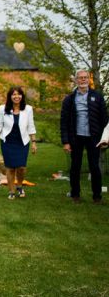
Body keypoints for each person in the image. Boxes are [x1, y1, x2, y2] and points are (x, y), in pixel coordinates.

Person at [60, 70, 108, 204]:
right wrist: (66, 142)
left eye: (85, 77)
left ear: (89, 79)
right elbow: (64, 122)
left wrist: (105, 138)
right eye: (80, 78)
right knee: (75, 167)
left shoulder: (97, 96)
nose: (83, 80)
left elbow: (105, 120)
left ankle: (97, 197)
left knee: (94, 167)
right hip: (76, 138)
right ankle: (75, 195)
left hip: (94, 138)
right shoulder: (69, 99)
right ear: (76, 80)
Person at [0, 87, 37, 200]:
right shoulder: (3, 109)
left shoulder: (28, 109)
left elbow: (31, 126)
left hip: (22, 142)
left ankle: (19, 186)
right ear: (10, 97)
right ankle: (11, 191)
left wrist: (33, 142)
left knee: (21, 167)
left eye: (19, 94)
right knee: (10, 168)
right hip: (8, 142)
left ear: (22, 96)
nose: (16, 96)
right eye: (14, 94)